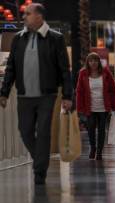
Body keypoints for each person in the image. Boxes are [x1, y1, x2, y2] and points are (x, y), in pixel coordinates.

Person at [0, 3, 72, 185]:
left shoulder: (55, 39)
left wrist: (67, 96)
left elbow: (64, 70)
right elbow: (11, 68)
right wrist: (4, 92)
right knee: (24, 131)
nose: (24, 17)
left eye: (28, 14)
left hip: (47, 95)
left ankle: (40, 172)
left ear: (39, 17)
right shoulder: (18, 39)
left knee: (43, 132)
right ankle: (41, 158)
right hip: (24, 95)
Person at [76, 52, 115, 160]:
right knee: (90, 129)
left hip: (103, 107)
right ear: (88, 62)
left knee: (101, 130)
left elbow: (113, 90)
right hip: (90, 107)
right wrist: (79, 108)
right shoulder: (83, 73)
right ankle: (93, 148)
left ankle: (99, 152)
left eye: (95, 60)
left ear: (98, 62)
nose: (93, 63)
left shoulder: (105, 72)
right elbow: (79, 91)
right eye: (91, 61)